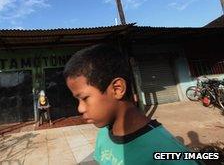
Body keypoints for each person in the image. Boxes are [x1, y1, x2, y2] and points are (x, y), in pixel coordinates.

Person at [63, 43, 202, 165]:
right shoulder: (104, 134)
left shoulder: (167, 152)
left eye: (84, 98)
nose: (80, 108)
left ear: (117, 89)